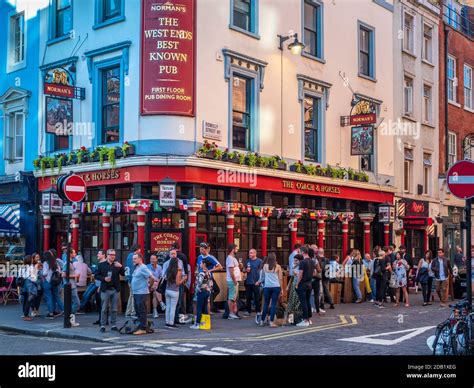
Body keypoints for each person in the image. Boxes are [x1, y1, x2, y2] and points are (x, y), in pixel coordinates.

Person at [95, 249, 125, 332]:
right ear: (107, 255)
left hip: (115, 289)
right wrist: (104, 278)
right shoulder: (101, 265)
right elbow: (96, 275)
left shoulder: (117, 264)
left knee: (114, 309)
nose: (112, 256)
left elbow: (124, 274)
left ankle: (113, 325)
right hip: (105, 289)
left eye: (114, 255)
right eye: (111, 255)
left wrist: (121, 266)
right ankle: (103, 325)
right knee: (104, 308)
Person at [131, 253, 157, 335]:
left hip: (142, 293)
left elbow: (152, 277)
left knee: (141, 310)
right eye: (133, 258)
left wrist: (150, 286)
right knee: (137, 310)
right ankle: (143, 324)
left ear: (140, 259)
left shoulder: (143, 267)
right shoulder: (137, 267)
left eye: (135, 258)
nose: (133, 260)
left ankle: (143, 328)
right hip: (136, 292)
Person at [255, 253, 282, 328]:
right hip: (276, 287)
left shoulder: (265, 266)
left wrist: (258, 282)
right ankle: (271, 322)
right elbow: (280, 279)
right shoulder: (278, 267)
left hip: (267, 287)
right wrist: (282, 289)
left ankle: (262, 321)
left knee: (265, 304)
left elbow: (262, 278)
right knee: (273, 304)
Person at [196, 242, 222, 314]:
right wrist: (197, 274)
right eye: (200, 249)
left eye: (202, 249)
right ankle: (201, 313)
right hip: (200, 278)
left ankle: (208, 312)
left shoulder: (210, 258)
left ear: (207, 249)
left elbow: (220, 267)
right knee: (199, 296)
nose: (201, 251)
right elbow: (198, 267)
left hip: (208, 279)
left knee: (208, 295)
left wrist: (210, 270)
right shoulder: (199, 257)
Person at [190, 259, 213, 329]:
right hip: (207, 291)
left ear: (204, 264)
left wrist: (196, 291)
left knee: (199, 308)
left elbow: (199, 283)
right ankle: (205, 323)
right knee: (205, 307)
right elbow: (210, 282)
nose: (200, 264)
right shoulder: (208, 272)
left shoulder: (201, 273)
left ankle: (197, 324)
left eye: (201, 263)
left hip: (201, 291)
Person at [164, 250, 185, 328]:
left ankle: (167, 322)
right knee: (173, 308)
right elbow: (178, 283)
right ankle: (171, 323)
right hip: (174, 291)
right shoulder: (178, 271)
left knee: (168, 307)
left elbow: (164, 277)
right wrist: (184, 278)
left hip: (167, 290)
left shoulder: (168, 270)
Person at [295, 246, 314, 327]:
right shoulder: (312, 261)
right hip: (309, 283)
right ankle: (309, 319)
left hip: (302, 284)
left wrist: (297, 283)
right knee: (307, 301)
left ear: (302, 252)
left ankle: (305, 320)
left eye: (300, 252)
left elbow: (300, 274)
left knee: (303, 302)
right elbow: (314, 273)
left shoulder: (302, 262)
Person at [42, 250, 64, 319]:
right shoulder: (56, 262)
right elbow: (59, 271)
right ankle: (64, 310)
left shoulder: (46, 263)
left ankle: (51, 313)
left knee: (49, 297)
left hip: (48, 281)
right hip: (55, 282)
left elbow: (44, 273)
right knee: (57, 296)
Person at [243, 249, 263, 321]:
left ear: (255, 253)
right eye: (249, 253)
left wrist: (259, 281)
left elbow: (262, 271)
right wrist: (245, 270)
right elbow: (243, 270)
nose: (250, 254)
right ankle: (248, 311)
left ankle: (258, 311)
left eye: (251, 253)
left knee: (257, 297)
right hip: (248, 281)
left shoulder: (260, 261)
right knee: (248, 297)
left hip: (256, 282)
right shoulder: (247, 261)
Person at [62, 248, 81, 319]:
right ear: (70, 254)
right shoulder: (67, 263)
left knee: (71, 303)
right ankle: (68, 316)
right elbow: (63, 274)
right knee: (77, 303)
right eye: (74, 253)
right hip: (70, 285)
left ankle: (69, 317)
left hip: (72, 284)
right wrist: (75, 275)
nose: (75, 254)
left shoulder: (70, 263)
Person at [19, 255, 38, 321]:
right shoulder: (32, 268)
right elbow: (34, 279)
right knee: (29, 300)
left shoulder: (22, 267)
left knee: (25, 300)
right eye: (32, 259)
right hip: (30, 285)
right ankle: (26, 315)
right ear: (30, 260)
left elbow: (19, 276)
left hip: (23, 285)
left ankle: (25, 314)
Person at [286, 253, 303, 324]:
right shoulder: (294, 267)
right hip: (293, 286)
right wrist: (288, 286)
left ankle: (297, 320)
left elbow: (303, 277)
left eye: (296, 260)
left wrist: (297, 274)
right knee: (291, 303)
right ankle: (290, 320)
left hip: (299, 286)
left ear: (300, 261)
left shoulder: (302, 267)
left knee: (297, 304)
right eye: (294, 260)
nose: (294, 262)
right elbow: (292, 277)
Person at [125, 244, 141, 319]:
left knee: (131, 295)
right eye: (139, 249)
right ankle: (133, 312)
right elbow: (133, 268)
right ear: (137, 249)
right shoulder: (134, 256)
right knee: (133, 295)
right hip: (133, 278)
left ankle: (128, 312)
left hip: (129, 278)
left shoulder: (129, 256)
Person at [147, 253, 166, 318]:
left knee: (155, 292)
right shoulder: (147, 267)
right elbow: (147, 278)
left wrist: (157, 282)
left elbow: (161, 277)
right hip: (148, 285)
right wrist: (155, 281)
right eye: (151, 259)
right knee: (156, 287)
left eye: (153, 259)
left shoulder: (159, 267)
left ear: (156, 260)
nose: (152, 260)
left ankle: (155, 311)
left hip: (156, 285)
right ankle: (161, 302)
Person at [226, 244, 241, 320]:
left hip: (234, 280)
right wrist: (234, 280)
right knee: (231, 297)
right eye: (236, 249)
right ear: (233, 249)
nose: (237, 250)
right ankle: (231, 313)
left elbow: (235, 269)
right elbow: (231, 271)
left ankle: (233, 313)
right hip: (232, 280)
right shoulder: (230, 259)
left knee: (234, 297)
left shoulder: (233, 258)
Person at [310, 247, 323, 315]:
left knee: (308, 295)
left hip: (307, 280)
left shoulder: (304, 260)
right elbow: (319, 270)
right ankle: (317, 309)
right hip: (315, 279)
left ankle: (310, 308)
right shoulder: (315, 260)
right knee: (316, 295)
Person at [31, 253, 43, 317]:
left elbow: (43, 274)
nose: (38, 259)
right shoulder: (32, 266)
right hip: (33, 284)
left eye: (38, 257)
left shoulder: (41, 265)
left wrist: (41, 268)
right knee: (33, 298)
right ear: (33, 258)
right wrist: (36, 268)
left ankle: (37, 310)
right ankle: (33, 310)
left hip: (39, 284)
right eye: (36, 257)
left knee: (38, 298)